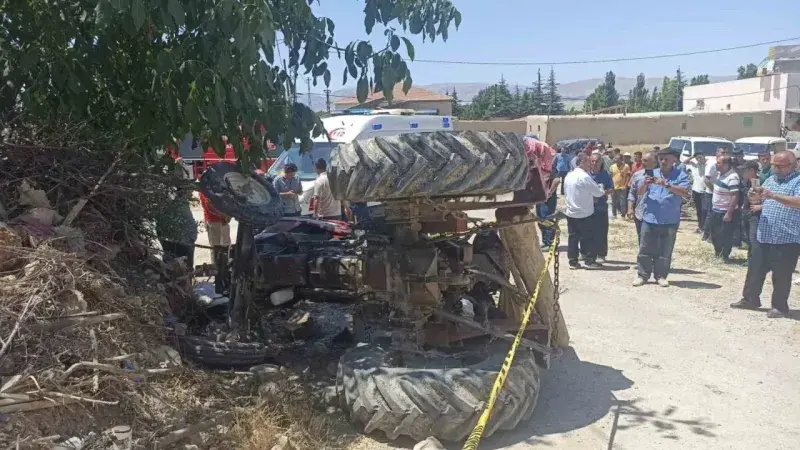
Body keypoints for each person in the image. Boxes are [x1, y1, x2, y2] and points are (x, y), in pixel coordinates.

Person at [730, 151, 800, 318]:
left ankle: (779, 307)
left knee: (781, 275)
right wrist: (754, 198)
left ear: (793, 165)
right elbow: (760, 202)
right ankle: (750, 299)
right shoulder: (770, 179)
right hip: (765, 234)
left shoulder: (798, 181)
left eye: (780, 166)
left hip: (787, 237)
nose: (776, 169)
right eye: (775, 165)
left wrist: (773, 195)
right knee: (755, 269)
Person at [632, 148, 690, 287]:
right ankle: (643, 275)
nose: (663, 162)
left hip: (669, 219)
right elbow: (639, 192)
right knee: (645, 248)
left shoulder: (681, 175)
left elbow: (685, 192)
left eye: (666, 159)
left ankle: (661, 276)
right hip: (650, 217)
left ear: (674, 161)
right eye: (661, 159)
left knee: (665, 250)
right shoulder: (652, 173)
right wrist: (645, 184)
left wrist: (666, 184)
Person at [563, 153, 606, 269]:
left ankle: (573, 261)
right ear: (582, 162)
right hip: (584, 213)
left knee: (573, 238)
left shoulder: (569, 175)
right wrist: (601, 187)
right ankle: (589, 261)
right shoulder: (584, 177)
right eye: (588, 162)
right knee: (588, 238)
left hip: (571, 212)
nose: (589, 165)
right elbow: (598, 192)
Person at [156, 157, 198, 270]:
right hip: (181, 239)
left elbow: (159, 228)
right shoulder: (179, 203)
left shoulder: (166, 200)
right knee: (184, 268)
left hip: (171, 238)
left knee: (171, 267)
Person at [706, 155, 741, 262]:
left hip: (725, 211)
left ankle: (724, 256)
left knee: (725, 235)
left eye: (719, 163)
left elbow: (735, 195)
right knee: (714, 234)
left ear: (726, 164)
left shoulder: (733, 177)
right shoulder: (721, 175)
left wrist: (729, 213)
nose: (716, 165)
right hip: (716, 209)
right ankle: (718, 253)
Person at [587, 153, 614, 263]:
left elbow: (611, 189)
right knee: (588, 231)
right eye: (592, 161)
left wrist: (602, 193)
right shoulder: (586, 175)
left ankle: (601, 254)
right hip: (587, 208)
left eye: (597, 161)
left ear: (601, 162)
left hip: (601, 208)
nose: (594, 163)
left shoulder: (605, 175)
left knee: (601, 232)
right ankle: (586, 253)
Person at [627, 152, 658, 240]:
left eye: (645, 161)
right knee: (642, 240)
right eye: (642, 160)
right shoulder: (637, 175)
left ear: (655, 162)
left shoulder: (662, 176)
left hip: (656, 215)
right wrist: (630, 208)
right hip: (640, 213)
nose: (642, 162)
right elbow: (632, 193)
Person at [702, 147, 730, 240]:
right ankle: (708, 234)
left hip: (718, 192)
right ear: (717, 153)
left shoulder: (723, 164)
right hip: (711, 193)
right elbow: (706, 179)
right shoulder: (711, 164)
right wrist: (714, 190)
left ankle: (708, 234)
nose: (724, 154)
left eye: (726, 152)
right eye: (722, 152)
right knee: (711, 215)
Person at [737, 160, 761, 263]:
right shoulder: (746, 182)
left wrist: (761, 206)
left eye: (744, 170)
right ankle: (750, 258)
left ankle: (754, 260)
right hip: (746, 212)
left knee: (753, 238)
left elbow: (767, 199)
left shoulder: (759, 182)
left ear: (752, 170)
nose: (742, 173)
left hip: (755, 214)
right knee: (747, 237)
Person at [537, 174, 561, 250]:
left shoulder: (550, 167)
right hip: (539, 199)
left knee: (548, 220)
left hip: (548, 200)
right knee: (541, 221)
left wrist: (549, 192)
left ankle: (549, 243)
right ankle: (545, 242)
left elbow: (557, 180)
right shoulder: (539, 168)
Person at [690, 153, 708, 233]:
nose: (699, 159)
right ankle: (700, 226)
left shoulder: (708, 165)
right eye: (698, 158)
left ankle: (704, 227)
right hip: (695, 190)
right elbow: (684, 162)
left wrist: (704, 159)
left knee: (704, 210)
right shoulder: (694, 165)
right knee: (698, 210)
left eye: (701, 157)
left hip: (704, 191)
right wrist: (693, 156)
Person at [609, 154, 631, 219]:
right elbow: (610, 177)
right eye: (615, 158)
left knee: (622, 202)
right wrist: (610, 186)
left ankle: (623, 215)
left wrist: (625, 185)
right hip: (614, 187)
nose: (616, 160)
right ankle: (614, 214)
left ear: (621, 159)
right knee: (613, 201)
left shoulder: (626, 166)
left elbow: (628, 176)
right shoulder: (612, 166)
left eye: (618, 158)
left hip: (622, 187)